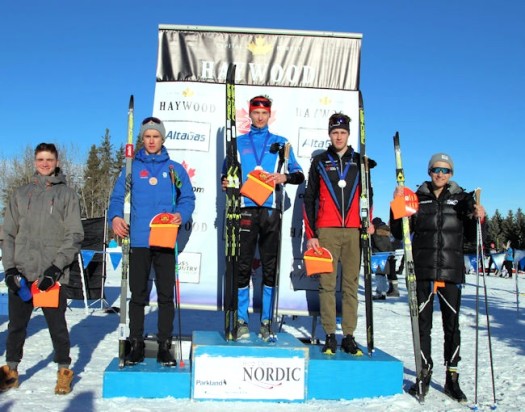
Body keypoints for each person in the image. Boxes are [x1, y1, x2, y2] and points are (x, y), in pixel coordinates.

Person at [391, 152, 485, 403]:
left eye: (445, 170)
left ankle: (451, 377)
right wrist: (396, 205)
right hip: (422, 270)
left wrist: (479, 217)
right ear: (429, 171)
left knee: (451, 327)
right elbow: (398, 232)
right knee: (422, 325)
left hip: (451, 270)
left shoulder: (462, 199)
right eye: (436, 170)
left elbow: (476, 237)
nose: (440, 174)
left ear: (451, 174)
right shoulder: (418, 197)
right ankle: (424, 372)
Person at [108, 117, 195, 366]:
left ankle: (165, 345)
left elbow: (187, 198)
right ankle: (135, 343)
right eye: (147, 136)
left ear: (162, 139)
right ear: (142, 139)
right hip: (139, 241)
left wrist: (181, 213)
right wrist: (114, 218)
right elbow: (116, 198)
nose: (152, 140)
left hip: (166, 239)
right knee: (138, 295)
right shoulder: (131, 168)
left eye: (156, 136)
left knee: (166, 295)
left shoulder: (174, 169)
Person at [0, 143, 84, 394]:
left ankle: (63, 370)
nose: (45, 163)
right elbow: (8, 234)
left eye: (49, 159)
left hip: (51, 275)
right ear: (35, 162)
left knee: (57, 327)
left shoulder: (67, 195)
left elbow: (75, 235)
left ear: (57, 161)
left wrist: (55, 268)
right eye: (40, 159)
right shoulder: (20, 194)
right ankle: (11, 371)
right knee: (16, 326)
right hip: (22, 272)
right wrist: (10, 269)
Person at [221, 95, 304, 341]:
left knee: (269, 268)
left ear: (269, 115)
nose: (259, 117)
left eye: (264, 113)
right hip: (245, 208)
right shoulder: (238, 142)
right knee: (243, 266)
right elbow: (226, 176)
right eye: (255, 113)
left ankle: (267, 321)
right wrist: (225, 183)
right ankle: (241, 319)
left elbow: (299, 174)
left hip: (271, 211)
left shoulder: (282, 143)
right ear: (250, 114)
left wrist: (284, 178)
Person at [303, 112, 374, 356]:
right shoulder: (320, 161)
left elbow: (368, 195)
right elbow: (309, 197)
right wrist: (311, 233)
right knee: (326, 285)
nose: (339, 136)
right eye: (335, 132)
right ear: (329, 134)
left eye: (342, 132)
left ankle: (350, 335)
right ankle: (330, 334)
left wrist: (368, 222)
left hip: (354, 230)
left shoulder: (360, 162)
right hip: (327, 230)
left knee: (351, 285)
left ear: (348, 134)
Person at [371, 217, 396, 300]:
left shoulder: (376, 232)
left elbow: (379, 244)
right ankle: (385, 291)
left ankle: (380, 293)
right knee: (384, 274)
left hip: (379, 255)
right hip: (388, 254)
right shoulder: (386, 231)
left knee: (379, 275)